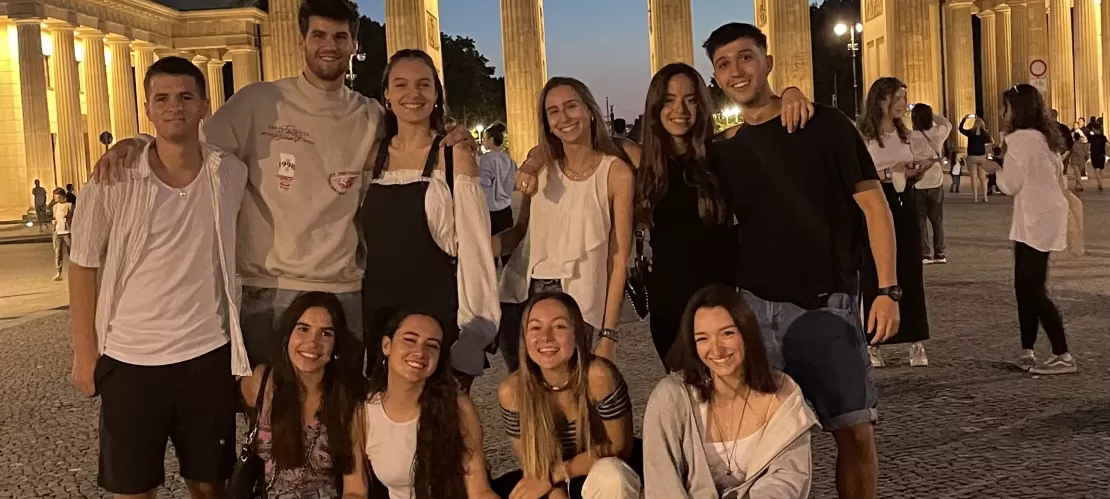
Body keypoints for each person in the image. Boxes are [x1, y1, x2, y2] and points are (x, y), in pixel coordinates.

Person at [89, 0, 477, 368]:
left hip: (345, 288)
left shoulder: (371, 115)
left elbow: (416, 137)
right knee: (269, 414)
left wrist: (456, 137)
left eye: (340, 37)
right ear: (301, 40)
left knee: (343, 417)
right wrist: (138, 142)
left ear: (353, 45)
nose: (329, 46)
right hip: (270, 288)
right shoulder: (257, 103)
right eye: (319, 36)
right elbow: (192, 146)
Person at [701, 23, 898, 499]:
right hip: (751, 310)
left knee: (851, 432)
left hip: (823, 304)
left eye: (746, 57)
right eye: (723, 65)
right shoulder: (723, 150)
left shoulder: (824, 124)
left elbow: (875, 206)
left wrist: (887, 291)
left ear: (767, 62)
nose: (736, 71)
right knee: (762, 443)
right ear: (717, 78)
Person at [68, 57, 248, 498]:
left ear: (205, 105)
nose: (175, 107)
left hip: (206, 353)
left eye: (186, 97)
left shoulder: (229, 174)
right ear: (146, 108)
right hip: (130, 357)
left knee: (210, 486)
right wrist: (84, 351)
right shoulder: (112, 179)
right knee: (132, 488)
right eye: (162, 98)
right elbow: (83, 264)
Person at [360, 49, 498, 394]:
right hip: (380, 317)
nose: (413, 94)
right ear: (387, 95)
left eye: (424, 84)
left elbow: (475, 249)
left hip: (437, 317)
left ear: (437, 95)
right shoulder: (370, 156)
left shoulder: (454, 155)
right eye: (401, 84)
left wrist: (475, 334)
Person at [497, 77, 635, 366]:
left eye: (571, 106)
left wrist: (608, 334)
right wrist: (478, 246)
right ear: (547, 122)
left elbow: (619, 256)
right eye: (553, 111)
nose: (564, 117)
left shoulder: (616, 172)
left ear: (589, 111)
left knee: (575, 398)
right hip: (523, 296)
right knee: (528, 399)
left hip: (579, 301)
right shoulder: (542, 170)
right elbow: (520, 233)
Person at [643, 284, 818, 498]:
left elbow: (788, 479)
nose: (716, 350)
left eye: (727, 333)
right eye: (703, 339)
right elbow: (662, 483)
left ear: (746, 333)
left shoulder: (783, 393)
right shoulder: (671, 397)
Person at [495, 292, 641, 499]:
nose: (546, 337)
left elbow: (619, 447)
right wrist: (555, 491)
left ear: (577, 333)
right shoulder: (512, 391)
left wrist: (559, 473)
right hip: (551, 481)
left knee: (612, 475)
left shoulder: (598, 377)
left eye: (559, 326)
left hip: (601, 471)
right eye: (535, 327)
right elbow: (532, 465)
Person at [240, 292, 368, 498]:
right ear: (287, 335)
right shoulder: (261, 382)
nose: (312, 342)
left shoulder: (349, 397)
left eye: (326, 333)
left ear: (336, 343)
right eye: (303, 329)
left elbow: (356, 489)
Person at [987, 84, 1077, 375]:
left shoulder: (1019, 140)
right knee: (1026, 285)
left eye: (1006, 107)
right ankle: (1027, 351)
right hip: (1043, 215)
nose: (1003, 113)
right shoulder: (1042, 137)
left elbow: (1011, 185)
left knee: (1032, 289)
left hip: (1035, 218)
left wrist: (996, 168)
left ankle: (1062, 354)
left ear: (1017, 110)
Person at [364, 309, 500, 499]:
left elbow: (478, 489)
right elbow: (354, 490)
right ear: (387, 345)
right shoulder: (365, 413)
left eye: (432, 345)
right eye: (410, 340)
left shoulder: (457, 406)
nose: (420, 352)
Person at [857, 77, 931, 369]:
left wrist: (915, 172)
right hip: (876, 204)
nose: (904, 104)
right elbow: (858, 173)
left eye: (905, 98)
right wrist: (890, 173)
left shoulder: (907, 135)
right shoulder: (863, 136)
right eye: (898, 98)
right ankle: (873, 341)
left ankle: (916, 341)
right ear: (880, 100)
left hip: (905, 203)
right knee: (873, 272)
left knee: (910, 270)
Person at [909, 103, 952, 266]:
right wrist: (932, 114)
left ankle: (925, 254)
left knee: (920, 222)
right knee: (937, 220)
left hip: (918, 181)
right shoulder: (937, 133)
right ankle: (940, 253)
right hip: (935, 180)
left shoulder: (910, 136)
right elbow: (947, 124)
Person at [480, 122, 517, 240]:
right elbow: (515, 183)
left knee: (491, 252)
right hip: (506, 209)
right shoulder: (509, 160)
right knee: (507, 249)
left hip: (490, 212)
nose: (483, 141)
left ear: (491, 140)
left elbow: (483, 184)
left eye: (485, 139)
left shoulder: (485, 160)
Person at [958, 114, 992, 203]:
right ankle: (985, 197)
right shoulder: (985, 133)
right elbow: (991, 142)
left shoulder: (970, 132)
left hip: (972, 157)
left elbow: (960, 129)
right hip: (981, 156)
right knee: (982, 178)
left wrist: (964, 119)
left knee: (973, 178)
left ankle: (975, 198)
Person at [50, 188, 72, 281]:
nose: (55, 197)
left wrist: (68, 218)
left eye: (56, 195)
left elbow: (74, 217)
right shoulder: (55, 207)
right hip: (58, 232)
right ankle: (59, 273)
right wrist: (53, 221)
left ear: (62, 196)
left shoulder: (69, 205)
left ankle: (74, 272)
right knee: (58, 253)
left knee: (71, 252)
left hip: (67, 232)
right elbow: (54, 217)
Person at [1087, 123, 1106, 191]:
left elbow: (1089, 146)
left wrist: (1088, 153)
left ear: (1094, 129)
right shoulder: (1103, 137)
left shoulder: (1092, 137)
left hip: (1095, 155)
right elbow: (1106, 146)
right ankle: (1100, 183)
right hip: (1101, 155)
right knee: (1100, 170)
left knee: (1097, 171)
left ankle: (1100, 184)